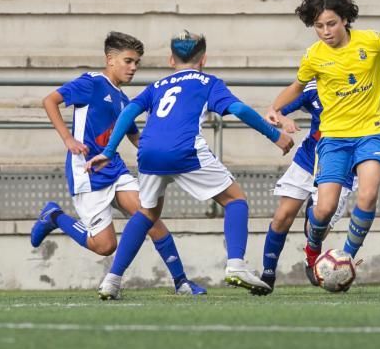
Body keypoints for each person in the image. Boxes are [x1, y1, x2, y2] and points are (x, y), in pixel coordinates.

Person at [87, 31, 293, 299]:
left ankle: (112, 280)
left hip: (148, 151)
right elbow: (240, 110)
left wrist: (109, 150)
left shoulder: (157, 85)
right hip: (184, 149)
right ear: (204, 59)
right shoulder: (208, 82)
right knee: (235, 200)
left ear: (171, 60)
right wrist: (275, 135)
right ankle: (236, 266)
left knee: (147, 214)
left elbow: (128, 112)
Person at [266, 0, 380, 287]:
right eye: (319, 26)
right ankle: (313, 249)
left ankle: (345, 258)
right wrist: (274, 108)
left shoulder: (371, 41)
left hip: (370, 133)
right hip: (333, 139)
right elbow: (297, 86)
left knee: (368, 194)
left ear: (345, 20)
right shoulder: (314, 55)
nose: (325, 32)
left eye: (331, 24)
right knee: (324, 208)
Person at [30, 32, 204, 295]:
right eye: (128, 61)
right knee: (104, 246)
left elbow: (136, 137)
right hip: (87, 172)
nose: (133, 67)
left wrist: (168, 149)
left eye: (137, 63)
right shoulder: (91, 83)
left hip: (116, 170)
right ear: (110, 59)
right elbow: (50, 100)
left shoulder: (123, 99)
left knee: (149, 217)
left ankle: (181, 282)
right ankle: (54, 216)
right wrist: (68, 139)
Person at [253, 79, 380, 294]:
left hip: (343, 167)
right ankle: (268, 274)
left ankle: (321, 246)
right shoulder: (314, 88)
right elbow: (275, 110)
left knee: (320, 223)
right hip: (309, 159)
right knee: (283, 215)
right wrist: (283, 120)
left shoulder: (361, 89)